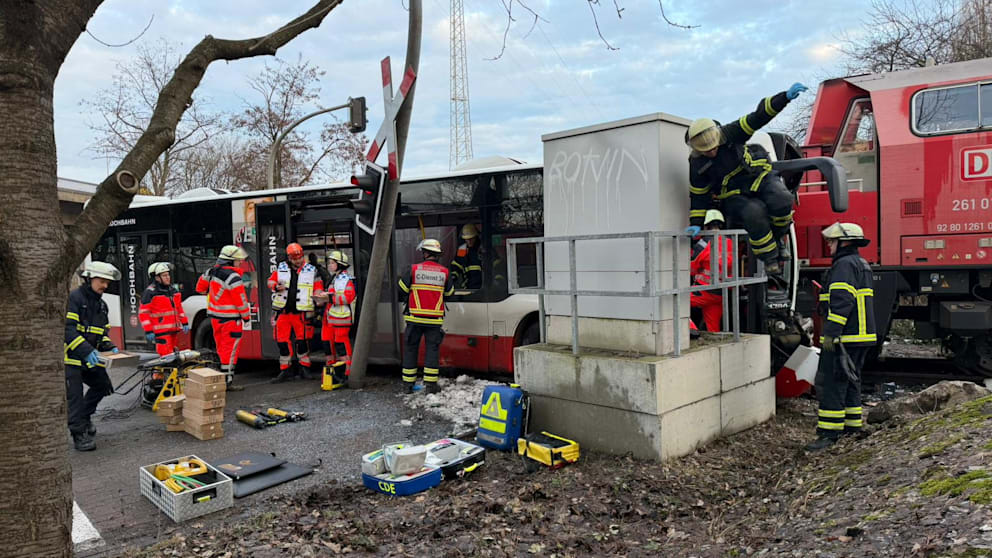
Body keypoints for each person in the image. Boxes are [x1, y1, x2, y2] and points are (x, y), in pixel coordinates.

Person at [684, 82, 808, 276]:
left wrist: (783, 98)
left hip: (757, 176)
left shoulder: (731, 133)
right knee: (753, 213)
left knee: (782, 198)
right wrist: (696, 222)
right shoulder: (697, 163)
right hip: (733, 193)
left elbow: (758, 116)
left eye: (714, 147)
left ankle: (780, 239)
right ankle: (769, 259)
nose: (712, 151)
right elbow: (699, 195)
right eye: (707, 151)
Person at [806, 223, 876, 451]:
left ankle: (828, 434)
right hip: (861, 336)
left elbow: (841, 301)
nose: (828, 245)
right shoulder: (860, 263)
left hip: (846, 336)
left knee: (832, 383)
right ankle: (852, 426)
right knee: (851, 380)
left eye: (831, 241)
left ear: (844, 242)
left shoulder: (844, 266)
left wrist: (831, 334)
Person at [65, 261, 121, 451]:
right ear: (89, 278)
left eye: (107, 282)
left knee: (103, 386)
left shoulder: (102, 305)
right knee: (75, 398)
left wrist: (110, 346)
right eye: (101, 281)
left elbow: (101, 333)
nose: (105, 285)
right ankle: (78, 434)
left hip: (90, 357)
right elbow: (68, 330)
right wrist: (87, 351)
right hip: (71, 358)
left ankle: (85, 417)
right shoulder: (74, 298)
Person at [398, 239, 454, 393]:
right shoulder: (445, 272)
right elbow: (449, 293)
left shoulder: (413, 269)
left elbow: (402, 289)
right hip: (434, 320)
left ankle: (407, 385)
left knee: (410, 349)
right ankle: (431, 385)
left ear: (426, 253)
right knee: (432, 350)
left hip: (414, 318)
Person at [195, 245, 251, 387]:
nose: (239, 263)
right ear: (229, 261)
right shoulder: (234, 277)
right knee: (230, 351)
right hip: (231, 320)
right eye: (237, 261)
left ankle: (222, 379)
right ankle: (227, 381)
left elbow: (199, 288)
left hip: (214, 318)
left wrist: (214, 295)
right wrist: (246, 316)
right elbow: (241, 300)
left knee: (221, 348)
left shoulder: (210, 272)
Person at [268, 243, 324, 383]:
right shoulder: (281, 268)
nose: (298, 261)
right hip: (283, 312)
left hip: (301, 313)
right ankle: (285, 370)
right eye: (295, 258)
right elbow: (270, 281)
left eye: (299, 258)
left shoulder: (311, 270)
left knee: (302, 341)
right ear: (289, 258)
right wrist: (275, 286)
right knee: (281, 342)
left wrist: (319, 298)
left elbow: (318, 286)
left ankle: (304, 368)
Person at [690, 210, 734, 332]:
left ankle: (692, 330)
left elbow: (691, 268)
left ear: (705, 225)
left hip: (704, 292)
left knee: (676, 303)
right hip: (721, 293)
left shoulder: (704, 243)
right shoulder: (730, 241)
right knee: (713, 329)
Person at [320, 250, 356, 390]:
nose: (329, 265)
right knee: (333, 345)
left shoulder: (345, 280)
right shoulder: (335, 278)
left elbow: (348, 297)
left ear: (340, 264)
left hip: (342, 319)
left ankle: (347, 373)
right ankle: (337, 374)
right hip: (333, 318)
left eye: (332, 263)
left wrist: (328, 297)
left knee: (342, 347)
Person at [139, 262, 189, 357]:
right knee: (166, 359)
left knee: (174, 358)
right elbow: (143, 313)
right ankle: (158, 373)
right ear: (157, 278)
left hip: (174, 330)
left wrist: (184, 322)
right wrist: (148, 330)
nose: (168, 277)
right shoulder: (150, 293)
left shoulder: (172, 290)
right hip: (161, 333)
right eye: (164, 275)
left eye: (168, 275)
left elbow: (178, 308)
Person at [451, 224, 483, 289]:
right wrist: (453, 275)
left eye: (471, 239)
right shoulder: (462, 249)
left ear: (476, 237)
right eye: (466, 239)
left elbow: (496, 264)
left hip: (483, 286)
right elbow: (457, 264)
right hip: (467, 286)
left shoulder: (483, 248)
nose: (469, 241)